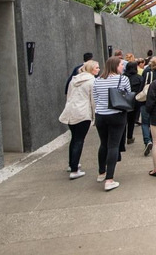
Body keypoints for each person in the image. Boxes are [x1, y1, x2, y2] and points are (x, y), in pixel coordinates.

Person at [92, 56, 131, 191]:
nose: (123, 67)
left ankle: (101, 172)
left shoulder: (97, 80)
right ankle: (110, 179)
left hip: (101, 115)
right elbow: (128, 94)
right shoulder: (123, 79)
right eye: (121, 64)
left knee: (103, 143)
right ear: (115, 66)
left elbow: (95, 98)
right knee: (113, 145)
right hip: (117, 114)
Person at [59, 59, 99, 179]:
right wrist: (94, 115)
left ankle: (72, 164)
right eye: (97, 67)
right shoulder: (92, 81)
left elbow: (69, 95)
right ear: (91, 69)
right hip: (83, 113)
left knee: (74, 138)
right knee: (79, 140)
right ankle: (74, 170)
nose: (98, 69)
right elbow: (93, 100)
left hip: (71, 111)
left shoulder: (74, 80)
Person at [140, 57, 156, 156]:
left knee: (144, 123)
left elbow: (142, 86)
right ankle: (153, 140)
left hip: (146, 100)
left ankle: (147, 141)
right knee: (154, 123)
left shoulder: (147, 73)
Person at [124, 61, 143, 145]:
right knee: (131, 120)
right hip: (135, 101)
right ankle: (129, 137)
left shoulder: (123, 77)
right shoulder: (139, 78)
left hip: (124, 100)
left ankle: (122, 137)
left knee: (124, 120)